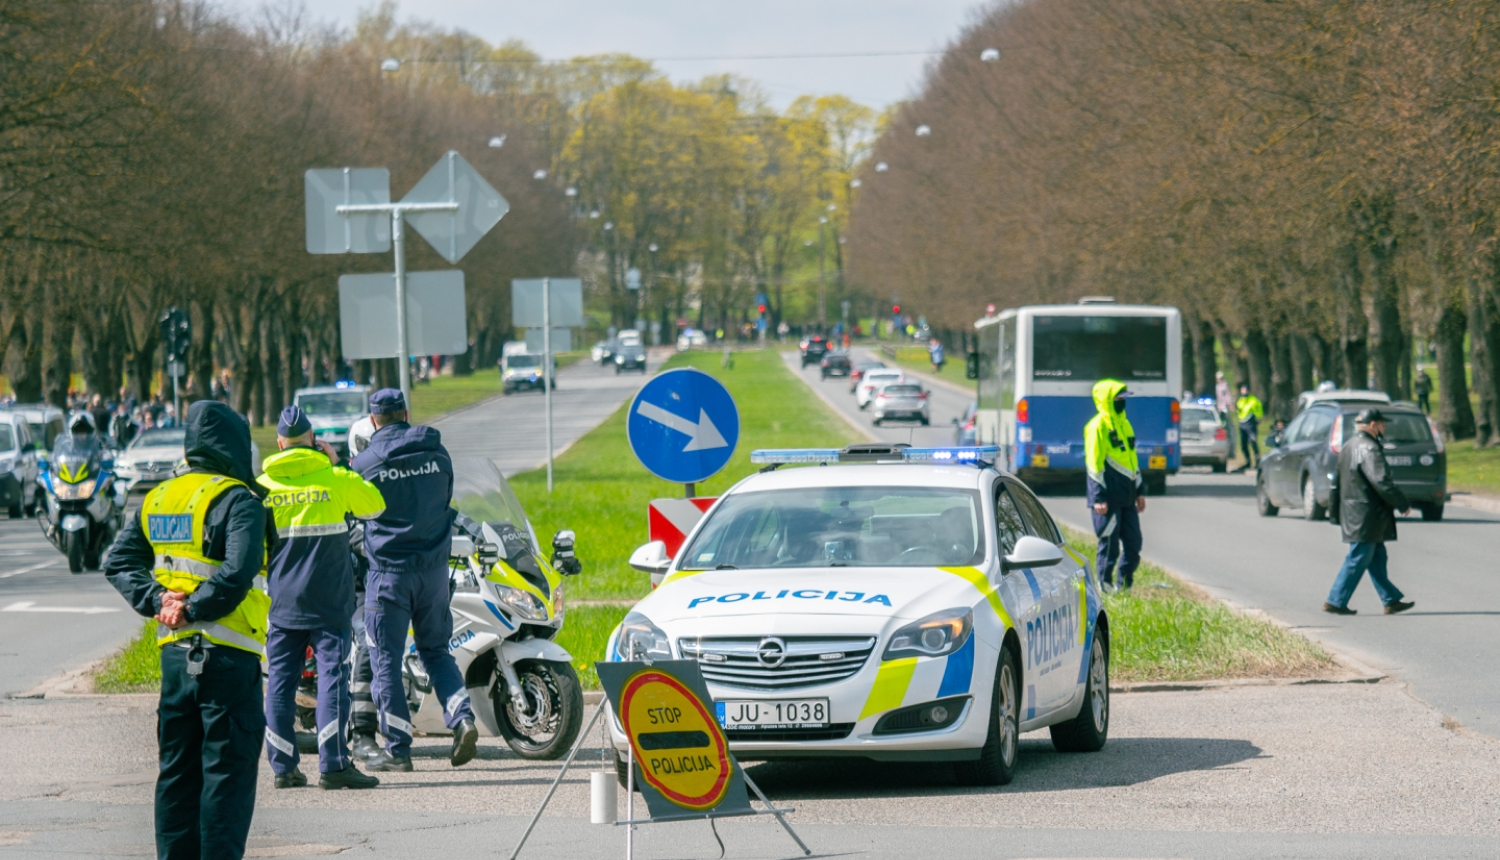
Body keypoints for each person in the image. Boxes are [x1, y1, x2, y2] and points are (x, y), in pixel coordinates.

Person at [103, 401, 270, 860]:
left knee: (176, 775)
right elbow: (238, 573)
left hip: (176, 661)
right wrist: (193, 607)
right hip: (229, 659)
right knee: (227, 778)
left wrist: (160, 602)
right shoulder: (240, 500)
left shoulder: (158, 497)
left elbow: (117, 561)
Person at [258, 406, 386, 790]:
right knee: (333, 679)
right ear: (314, 440)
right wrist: (339, 464)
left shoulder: (262, 486)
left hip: (282, 602)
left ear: (279, 444)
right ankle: (333, 766)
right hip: (330, 601)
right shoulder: (333, 478)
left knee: (280, 683)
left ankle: (283, 769)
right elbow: (375, 504)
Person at [350, 389, 478, 772]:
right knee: (436, 652)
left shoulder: (365, 464)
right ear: (406, 413)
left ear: (374, 421)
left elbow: (355, 517)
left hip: (388, 577)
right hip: (434, 573)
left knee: (385, 658)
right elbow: (446, 501)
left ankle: (398, 749)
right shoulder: (438, 454)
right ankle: (462, 718)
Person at [1324, 408, 1416, 616]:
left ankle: (1390, 599)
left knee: (1376, 557)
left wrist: (1334, 511)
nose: (1385, 428)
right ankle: (1336, 600)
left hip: (1357, 513)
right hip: (1366, 514)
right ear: (1374, 425)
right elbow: (1381, 480)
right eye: (1383, 424)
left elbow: (1335, 483)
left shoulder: (1348, 446)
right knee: (1359, 556)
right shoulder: (1369, 448)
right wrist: (1402, 503)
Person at [1084, 379, 1146, 590]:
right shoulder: (1096, 427)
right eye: (1118, 398)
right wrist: (1097, 498)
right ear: (1108, 400)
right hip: (1107, 499)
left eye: (1124, 398)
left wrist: (1139, 491)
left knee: (1134, 543)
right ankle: (1105, 587)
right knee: (1109, 545)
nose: (1122, 402)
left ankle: (1124, 585)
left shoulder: (1125, 424)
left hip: (1128, 497)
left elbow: (1132, 461)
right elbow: (1094, 465)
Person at [1236, 384, 1264, 469]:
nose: (1244, 392)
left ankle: (1258, 461)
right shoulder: (1240, 400)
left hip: (1250, 423)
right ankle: (1248, 461)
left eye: (1245, 390)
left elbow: (1259, 410)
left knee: (1253, 442)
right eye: (1242, 390)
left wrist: (1258, 418)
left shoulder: (1253, 400)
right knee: (1243, 445)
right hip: (1242, 423)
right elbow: (1239, 409)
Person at [1214, 372, 1235, 458]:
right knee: (1221, 424)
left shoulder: (1224, 385)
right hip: (1220, 407)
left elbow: (1227, 395)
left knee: (1228, 424)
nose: (1219, 379)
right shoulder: (1217, 386)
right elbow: (1219, 398)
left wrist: (1230, 404)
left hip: (1225, 407)